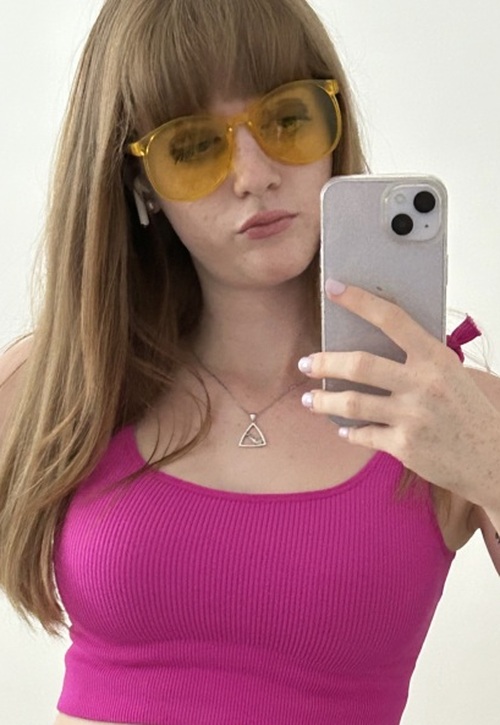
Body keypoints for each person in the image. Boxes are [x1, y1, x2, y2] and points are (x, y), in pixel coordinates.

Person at [0, 0, 499, 724]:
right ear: (140, 187)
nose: (254, 174)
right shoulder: (51, 387)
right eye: (193, 146)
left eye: (287, 119)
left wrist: (490, 467)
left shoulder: (457, 412)